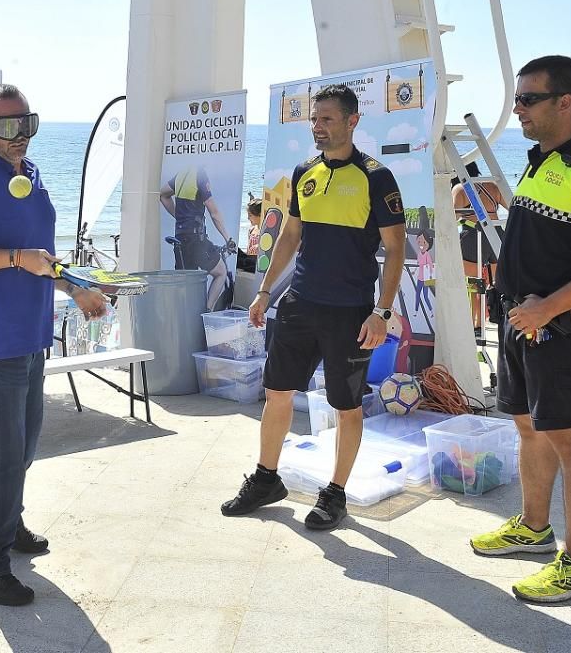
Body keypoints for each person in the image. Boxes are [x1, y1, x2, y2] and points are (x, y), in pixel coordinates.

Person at [469, 55, 571, 603]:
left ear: (564, 102)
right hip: (521, 320)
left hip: (560, 327)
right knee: (529, 428)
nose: (517, 109)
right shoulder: (541, 158)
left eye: (527, 99)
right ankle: (533, 529)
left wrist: (549, 307)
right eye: (517, 98)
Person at [0, 84, 107, 606]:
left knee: (25, 444)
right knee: (5, 453)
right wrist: (13, 258)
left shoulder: (29, 175)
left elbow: (42, 258)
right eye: (7, 126)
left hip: (31, 332)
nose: (19, 136)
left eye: (26, 124)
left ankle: (9, 527)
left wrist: (75, 286)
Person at [220, 84, 406, 531]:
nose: (318, 127)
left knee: (346, 406)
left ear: (352, 121)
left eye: (327, 119)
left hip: (350, 311)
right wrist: (265, 291)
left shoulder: (376, 177)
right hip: (300, 303)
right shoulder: (305, 172)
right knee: (278, 392)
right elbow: (289, 236)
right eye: (315, 120)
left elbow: (395, 249)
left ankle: (335, 493)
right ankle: (266, 479)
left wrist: (380, 312)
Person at [159, 166, 236, 309]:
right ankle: (206, 311)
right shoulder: (199, 174)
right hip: (195, 240)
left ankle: (187, 318)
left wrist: (179, 217)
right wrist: (228, 238)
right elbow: (214, 212)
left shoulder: (181, 173)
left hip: (180, 240)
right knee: (221, 272)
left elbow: (163, 194)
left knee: (187, 286)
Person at [451, 161, 508, 334]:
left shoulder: (460, 188)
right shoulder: (492, 185)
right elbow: (512, 206)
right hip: (496, 233)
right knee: (494, 282)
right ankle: (499, 316)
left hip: (473, 235)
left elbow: (451, 218)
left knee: (474, 284)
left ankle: (475, 325)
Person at [237, 194, 262, 273]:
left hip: (256, 263)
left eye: (250, 215)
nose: (248, 218)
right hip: (248, 259)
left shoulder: (265, 231)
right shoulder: (252, 229)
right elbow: (248, 249)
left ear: (260, 215)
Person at [413, 229, 433, 313]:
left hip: (426, 278)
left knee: (425, 296)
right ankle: (416, 310)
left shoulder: (427, 255)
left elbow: (431, 266)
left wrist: (430, 275)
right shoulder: (419, 254)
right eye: (419, 241)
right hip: (420, 278)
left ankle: (431, 310)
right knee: (417, 295)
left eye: (424, 242)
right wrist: (414, 271)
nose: (421, 244)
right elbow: (419, 265)